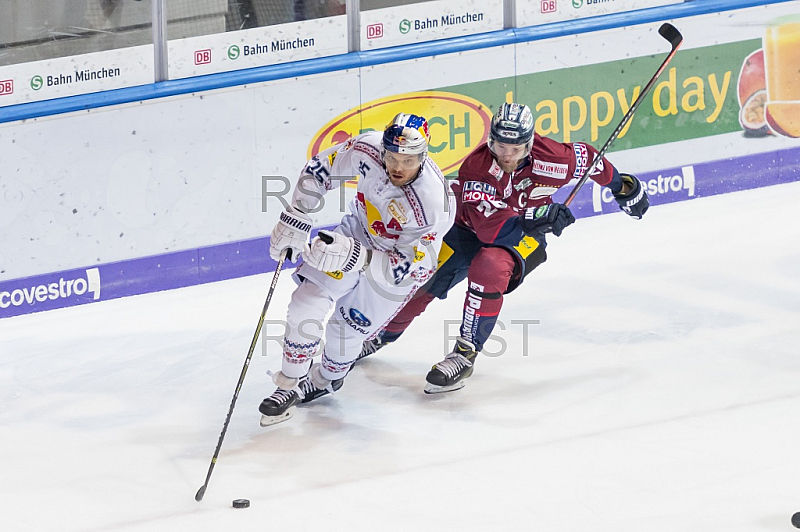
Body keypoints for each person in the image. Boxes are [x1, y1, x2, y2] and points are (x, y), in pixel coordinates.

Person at [354, 102, 650, 393]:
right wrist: (541, 215)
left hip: (525, 236)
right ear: (490, 140)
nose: (506, 156)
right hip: (471, 226)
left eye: (516, 149)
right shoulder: (476, 167)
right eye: (499, 146)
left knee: (490, 265)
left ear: (530, 144)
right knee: (423, 279)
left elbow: (590, 158)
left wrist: (622, 187)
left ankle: (465, 353)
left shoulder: (556, 159)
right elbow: (492, 229)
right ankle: (383, 332)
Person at [258, 113, 456, 425]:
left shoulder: (434, 204)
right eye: (392, 156)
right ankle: (288, 383)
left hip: (394, 271)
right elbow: (320, 169)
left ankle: (326, 379)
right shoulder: (368, 148)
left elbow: (407, 266)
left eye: (408, 160)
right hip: (357, 234)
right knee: (306, 302)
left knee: (345, 330)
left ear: (423, 155)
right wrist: (297, 215)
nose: (398, 167)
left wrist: (358, 258)